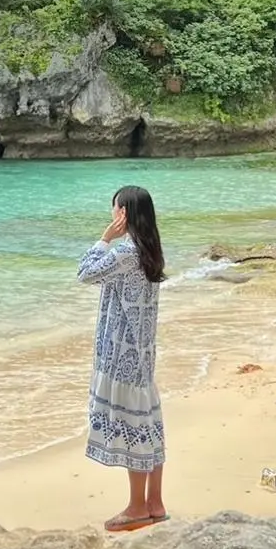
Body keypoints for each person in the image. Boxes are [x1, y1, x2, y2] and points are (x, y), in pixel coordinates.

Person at [77, 184, 168, 531]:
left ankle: (136, 508)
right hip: (142, 354)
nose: (112, 215)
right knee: (149, 426)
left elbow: (84, 273)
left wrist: (104, 238)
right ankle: (154, 503)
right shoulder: (151, 250)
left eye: (115, 210)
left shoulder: (126, 253)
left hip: (121, 355)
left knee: (135, 429)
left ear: (124, 214)